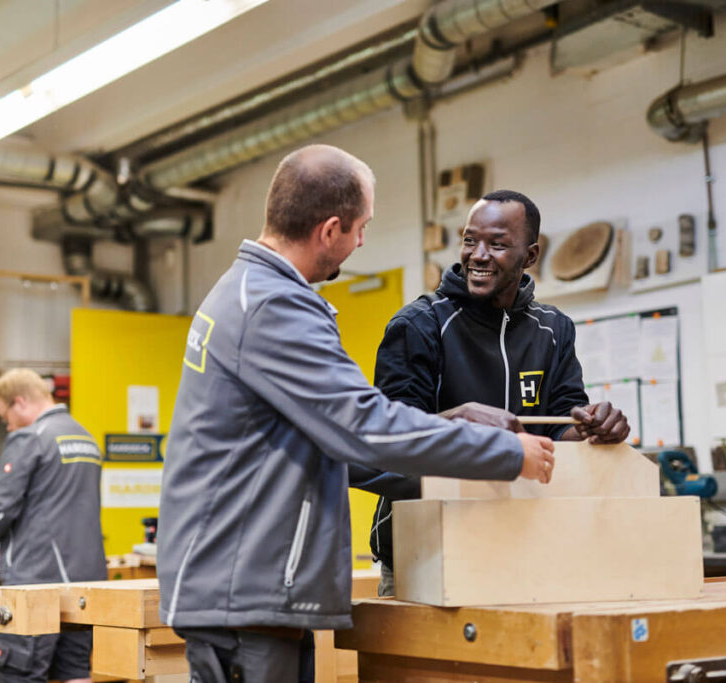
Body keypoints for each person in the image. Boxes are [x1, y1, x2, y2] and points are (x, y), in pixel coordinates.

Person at [156, 145, 557, 683]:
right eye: (361, 228)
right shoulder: (275, 307)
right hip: (243, 591)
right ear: (329, 230)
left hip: (246, 589)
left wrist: (445, 424)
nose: (362, 241)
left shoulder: (248, 292)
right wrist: (507, 453)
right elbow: (365, 426)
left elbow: (339, 434)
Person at [369, 189, 631, 595]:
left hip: (525, 539)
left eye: (498, 244)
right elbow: (388, 443)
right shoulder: (418, 325)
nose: (478, 254)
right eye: (470, 240)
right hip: (425, 549)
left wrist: (592, 428)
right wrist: (461, 425)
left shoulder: (554, 329)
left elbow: (563, 423)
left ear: (529, 256)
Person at [0, 368, 106, 683]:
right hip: (85, 581)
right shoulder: (86, 438)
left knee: (20, 672)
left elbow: (1, 507)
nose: (7, 424)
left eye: (4, 416)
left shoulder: (29, 438)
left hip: (36, 581)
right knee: (75, 671)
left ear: (20, 402)